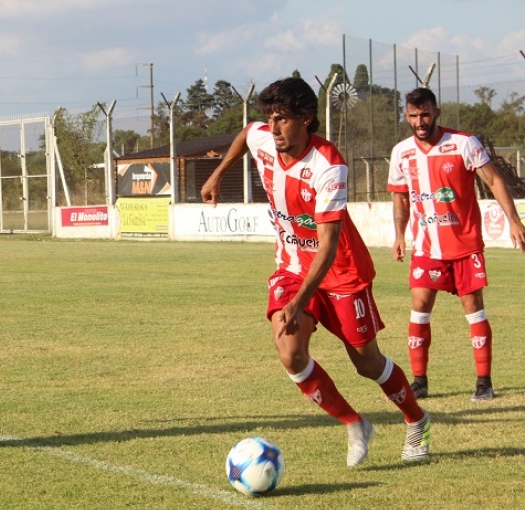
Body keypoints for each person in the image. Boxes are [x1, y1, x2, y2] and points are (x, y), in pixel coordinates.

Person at [201, 77, 430, 464]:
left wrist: (301, 302)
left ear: (306, 119)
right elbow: (246, 133)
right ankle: (354, 423)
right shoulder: (265, 139)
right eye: (270, 118)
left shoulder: (329, 166)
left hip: (340, 271)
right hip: (291, 266)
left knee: (366, 362)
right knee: (290, 352)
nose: (272, 128)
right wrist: (219, 172)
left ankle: (416, 419)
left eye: (283, 119)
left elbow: (327, 245)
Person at [388, 87, 525, 402]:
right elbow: (400, 197)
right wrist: (399, 235)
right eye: (413, 115)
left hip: (464, 245)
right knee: (420, 307)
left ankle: (484, 382)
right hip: (426, 248)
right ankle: (419, 381)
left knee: (473, 309)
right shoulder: (401, 152)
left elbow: (494, 181)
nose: (419, 121)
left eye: (425, 114)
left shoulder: (463, 143)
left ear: (436, 113)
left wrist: (514, 220)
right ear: (407, 116)